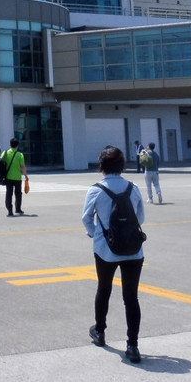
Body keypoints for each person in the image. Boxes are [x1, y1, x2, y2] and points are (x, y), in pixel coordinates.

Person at [81, 145, 146, 364]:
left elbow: (86, 218)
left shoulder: (96, 189)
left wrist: (96, 234)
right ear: (122, 165)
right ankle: (133, 345)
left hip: (105, 250)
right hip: (133, 250)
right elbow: (141, 218)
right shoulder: (133, 187)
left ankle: (99, 331)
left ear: (102, 166)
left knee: (104, 289)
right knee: (131, 298)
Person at [0, 138, 27, 216]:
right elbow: (23, 166)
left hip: (8, 177)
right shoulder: (20, 155)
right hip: (17, 178)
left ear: (10, 144)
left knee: (9, 194)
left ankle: (10, 210)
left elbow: (0, 163)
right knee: (18, 194)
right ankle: (18, 208)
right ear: (17, 145)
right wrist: (26, 176)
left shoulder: (5, 153)